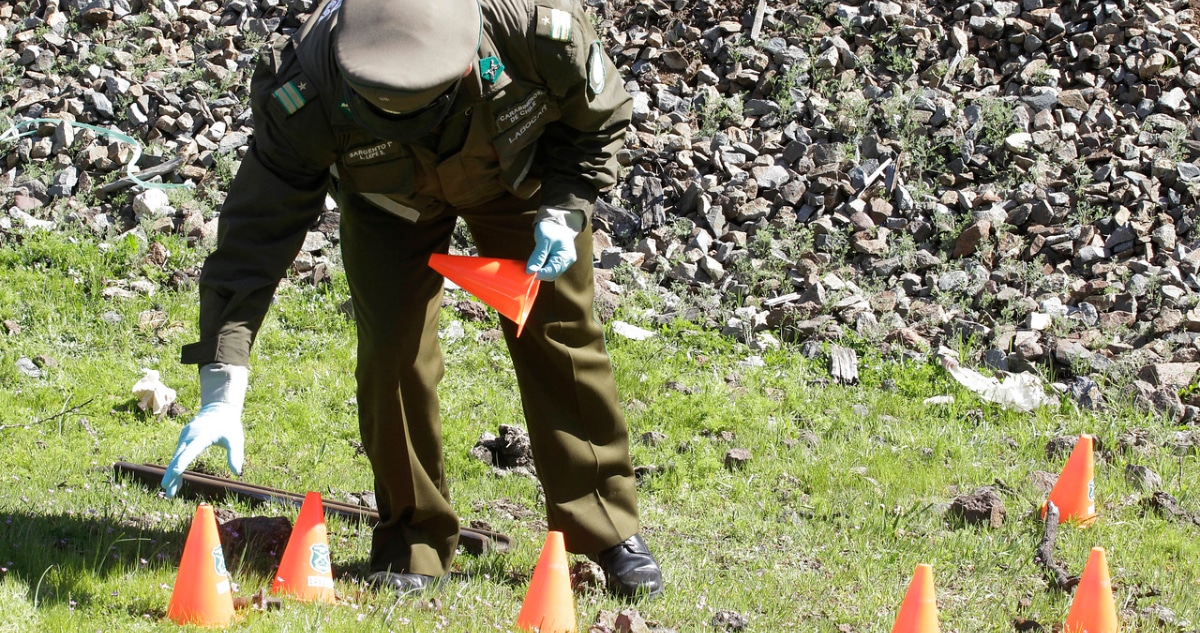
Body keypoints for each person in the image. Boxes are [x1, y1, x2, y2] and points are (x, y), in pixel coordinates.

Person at [159, 0, 664, 600]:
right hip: (388, 202)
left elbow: (597, 123)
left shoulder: (536, 29)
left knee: (560, 330)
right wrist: (223, 388)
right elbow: (253, 239)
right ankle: (412, 538)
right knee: (393, 350)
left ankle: (605, 526)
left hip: (519, 177)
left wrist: (566, 207)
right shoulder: (309, 86)